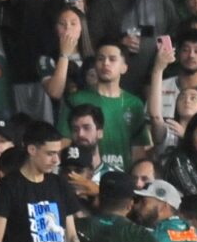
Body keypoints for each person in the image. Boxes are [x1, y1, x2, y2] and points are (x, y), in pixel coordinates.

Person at [86, 0, 179, 94]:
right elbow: (92, 44)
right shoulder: (102, 2)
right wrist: (119, 42)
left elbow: (175, 33)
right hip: (116, 85)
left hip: (157, 81)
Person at [57, 44, 149, 172]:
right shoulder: (75, 99)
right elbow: (64, 141)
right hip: (83, 175)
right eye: (100, 59)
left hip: (121, 177)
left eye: (112, 59)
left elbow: (138, 150)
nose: (105, 63)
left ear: (124, 67)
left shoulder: (134, 104)